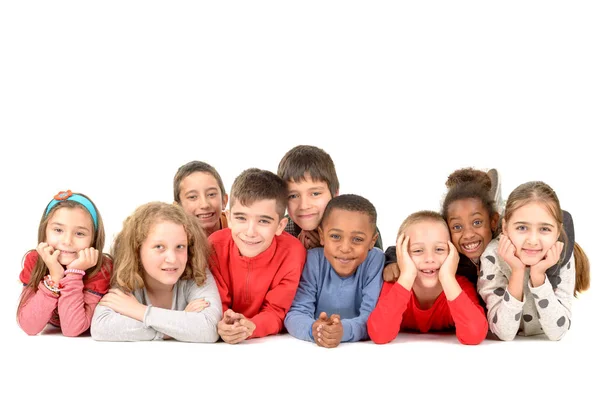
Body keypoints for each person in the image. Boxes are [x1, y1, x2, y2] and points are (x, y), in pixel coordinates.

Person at [383, 168, 575, 289]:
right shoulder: (448, 249)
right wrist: (391, 261)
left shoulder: (507, 238)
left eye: (477, 223)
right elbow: (404, 245)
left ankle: (498, 205)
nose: (467, 234)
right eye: (457, 226)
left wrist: (549, 268)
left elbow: (564, 217)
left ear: (494, 222)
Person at [91, 202, 222, 342]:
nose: (172, 259)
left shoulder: (196, 272)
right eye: (159, 247)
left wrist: (138, 311)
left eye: (180, 246)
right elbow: (101, 326)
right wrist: (179, 325)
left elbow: (209, 329)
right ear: (137, 249)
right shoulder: (127, 277)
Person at [478, 181, 590, 341]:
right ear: (505, 227)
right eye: (522, 228)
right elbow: (504, 332)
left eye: (544, 229)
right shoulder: (493, 255)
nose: (533, 240)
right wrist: (517, 272)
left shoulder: (562, 253)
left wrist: (538, 276)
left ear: (558, 230)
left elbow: (558, 332)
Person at [209, 168, 307, 344]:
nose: (250, 232)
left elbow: (276, 311)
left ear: (280, 225)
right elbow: (215, 303)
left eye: (263, 221)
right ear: (229, 218)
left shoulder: (292, 253)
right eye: (241, 218)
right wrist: (223, 323)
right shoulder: (215, 246)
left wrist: (251, 326)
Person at [367, 211, 488, 345]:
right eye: (418, 251)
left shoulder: (459, 286)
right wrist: (407, 276)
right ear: (401, 253)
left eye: (439, 249)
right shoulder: (395, 284)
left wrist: (448, 278)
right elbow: (379, 334)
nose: (429, 259)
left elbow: (475, 335)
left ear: (452, 252)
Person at [284, 194, 385, 348]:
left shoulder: (375, 261)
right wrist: (315, 330)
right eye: (335, 236)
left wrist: (343, 331)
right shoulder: (313, 260)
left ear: (372, 241)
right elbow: (295, 313)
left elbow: (372, 318)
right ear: (322, 236)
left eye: (357, 239)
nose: (345, 248)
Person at [17, 190, 112, 336]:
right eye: (58, 230)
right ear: (45, 231)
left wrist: (74, 274)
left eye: (79, 233)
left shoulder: (102, 268)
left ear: (93, 238)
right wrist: (55, 277)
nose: (67, 241)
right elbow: (29, 327)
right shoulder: (35, 260)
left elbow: (72, 329)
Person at [277, 144, 383, 250]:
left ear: (335, 193)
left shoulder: (360, 224)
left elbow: (376, 262)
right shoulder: (279, 229)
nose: (304, 206)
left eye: (315, 194)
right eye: (293, 196)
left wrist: (328, 248)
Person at [173, 160, 229, 237]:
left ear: (224, 200)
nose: (204, 205)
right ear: (177, 208)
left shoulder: (238, 229)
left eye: (211, 194)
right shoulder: (174, 238)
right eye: (192, 197)